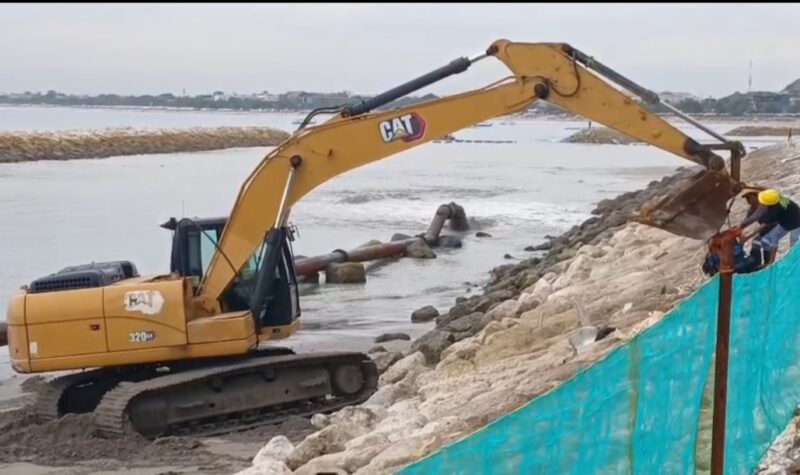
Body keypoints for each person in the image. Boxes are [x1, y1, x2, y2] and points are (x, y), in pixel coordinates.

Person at [737, 188, 800, 266]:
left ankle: (791, 263)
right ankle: (769, 262)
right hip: (785, 222)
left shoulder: (774, 211)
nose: (748, 201)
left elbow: (760, 223)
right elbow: (767, 189)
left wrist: (747, 237)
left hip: (795, 224)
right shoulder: (775, 197)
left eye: (749, 197)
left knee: (793, 246)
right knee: (769, 239)